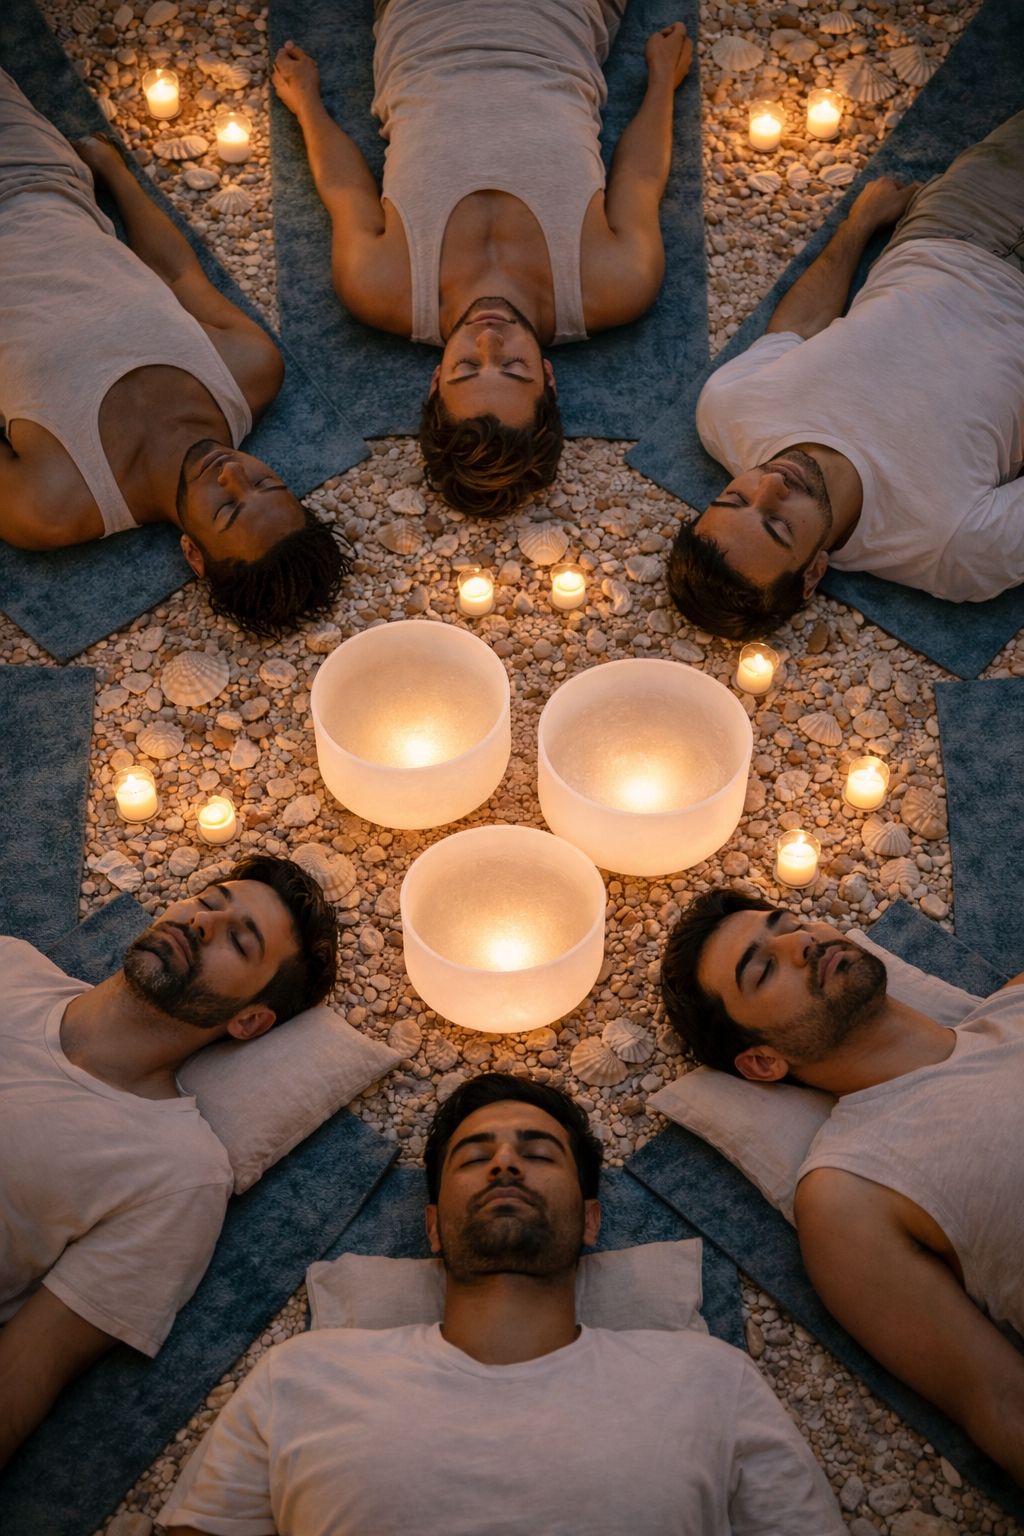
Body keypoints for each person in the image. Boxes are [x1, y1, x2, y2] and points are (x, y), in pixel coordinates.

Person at [159, 1072, 844, 1534]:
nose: (506, 1163)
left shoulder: (710, 1379)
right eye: (473, 1156)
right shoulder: (302, 1376)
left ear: (592, 1219)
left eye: (538, 1154)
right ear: (432, 1227)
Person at [661, 888, 1024, 1484]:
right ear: (762, 1062)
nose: (801, 943)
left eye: (790, 924)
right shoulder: (848, 1190)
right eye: (764, 968)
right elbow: (1001, 1402)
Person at [272, 2, 692, 516]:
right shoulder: (614, 284)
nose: (488, 339)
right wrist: (661, 82)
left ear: (435, 381)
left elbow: (343, 189)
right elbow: (642, 178)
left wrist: (306, 104)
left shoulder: (380, 287)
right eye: (513, 365)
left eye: (467, 367)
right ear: (548, 377)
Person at [0, 853, 338, 1467]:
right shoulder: (9, 965)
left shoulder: (179, 1175)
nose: (201, 923)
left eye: (238, 940)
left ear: (249, 1021)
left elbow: (24, 1373)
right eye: (207, 902)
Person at [0, 69, 351, 637]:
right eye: (266, 483)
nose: (233, 474)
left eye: (227, 508)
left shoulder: (55, 507)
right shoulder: (248, 372)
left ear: (193, 554)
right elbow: (178, 272)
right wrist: (115, 171)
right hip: (36, 176)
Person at [667, 112, 1024, 639]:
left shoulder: (727, 410)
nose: (771, 483)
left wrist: (859, 222)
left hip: (953, 226)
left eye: (735, 498)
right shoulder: (952, 550)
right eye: (778, 524)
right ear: (813, 573)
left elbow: (799, 326)